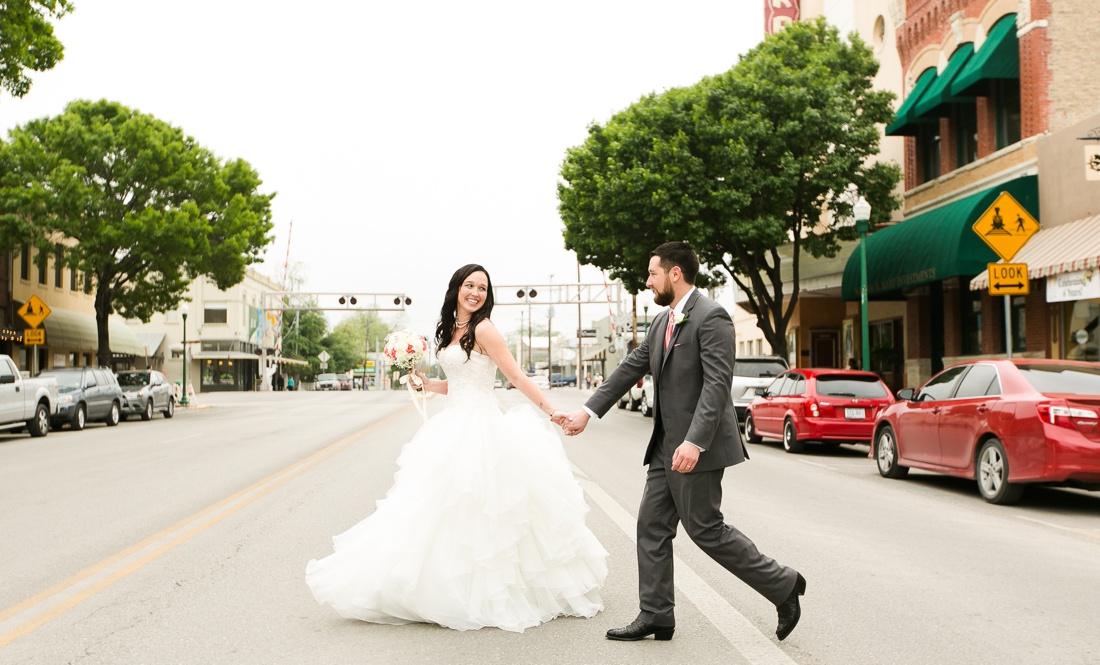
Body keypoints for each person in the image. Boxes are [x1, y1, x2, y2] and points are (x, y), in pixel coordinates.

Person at [306, 263, 607, 632]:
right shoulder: (452, 329)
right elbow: (462, 381)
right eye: (470, 285)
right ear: (456, 289)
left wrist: (551, 411)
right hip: (453, 424)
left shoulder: (484, 328)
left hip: (482, 428)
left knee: (483, 508)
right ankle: (440, 586)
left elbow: (513, 376)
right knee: (439, 506)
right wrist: (428, 385)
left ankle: (485, 590)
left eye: (482, 287)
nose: (476, 293)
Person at [561, 241, 806, 642]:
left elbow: (716, 386)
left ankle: (783, 584)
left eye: (652, 273)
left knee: (706, 529)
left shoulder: (713, 318)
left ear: (675, 274)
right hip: (664, 448)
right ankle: (656, 614)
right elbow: (629, 368)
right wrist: (587, 412)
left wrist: (694, 442)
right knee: (652, 526)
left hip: (697, 447)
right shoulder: (662, 322)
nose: (647, 281)